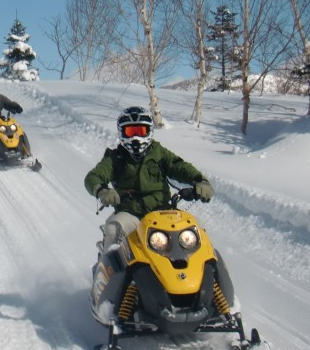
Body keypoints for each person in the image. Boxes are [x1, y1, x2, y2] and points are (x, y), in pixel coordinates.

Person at [83, 105, 214, 256]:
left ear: (149, 131)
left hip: (164, 212)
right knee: (114, 229)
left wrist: (200, 181)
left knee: (198, 228)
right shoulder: (115, 158)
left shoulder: (159, 153)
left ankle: (210, 271)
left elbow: (180, 167)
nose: (136, 137)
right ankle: (109, 274)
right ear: (121, 133)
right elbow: (93, 177)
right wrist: (102, 191)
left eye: (141, 131)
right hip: (131, 214)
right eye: (131, 132)